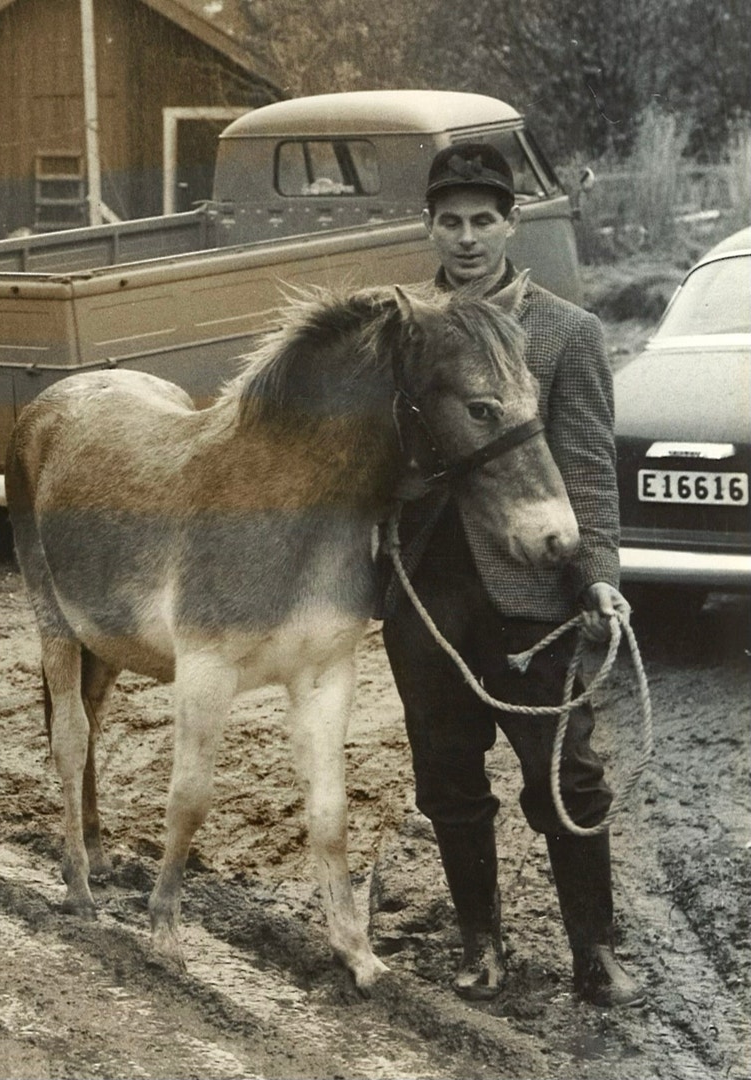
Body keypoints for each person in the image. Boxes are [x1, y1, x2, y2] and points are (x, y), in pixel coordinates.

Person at [383, 142, 642, 1006]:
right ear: (428, 224)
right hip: (426, 595)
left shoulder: (567, 332)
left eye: (481, 220)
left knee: (567, 775)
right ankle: (480, 943)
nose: (465, 238)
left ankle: (595, 950)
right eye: (448, 221)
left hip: (538, 596)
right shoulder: (399, 331)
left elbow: (591, 472)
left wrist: (599, 572)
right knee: (448, 779)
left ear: (510, 222)